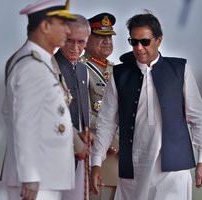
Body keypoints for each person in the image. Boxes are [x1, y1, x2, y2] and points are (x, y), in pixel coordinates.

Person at [90, 12, 202, 200]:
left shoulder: (179, 70)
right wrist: (96, 162)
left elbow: (197, 119)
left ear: (159, 40)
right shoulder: (119, 75)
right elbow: (106, 122)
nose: (139, 48)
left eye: (145, 42)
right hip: (133, 172)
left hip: (173, 171)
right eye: (134, 42)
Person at [0, 0, 77, 200]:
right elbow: (24, 124)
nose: (68, 31)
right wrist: (30, 176)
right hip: (36, 180)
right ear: (44, 26)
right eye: (63, 24)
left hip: (45, 176)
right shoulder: (32, 67)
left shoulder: (40, 63)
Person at [79, 12, 119, 200]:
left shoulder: (116, 70)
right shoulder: (80, 69)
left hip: (123, 162)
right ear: (86, 40)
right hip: (100, 158)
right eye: (100, 37)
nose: (107, 41)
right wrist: (116, 141)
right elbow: (85, 115)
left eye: (109, 36)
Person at [54, 14, 91, 200]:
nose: (75, 48)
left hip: (80, 154)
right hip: (57, 150)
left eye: (81, 42)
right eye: (70, 41)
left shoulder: (83, 69)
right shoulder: (51, 66)